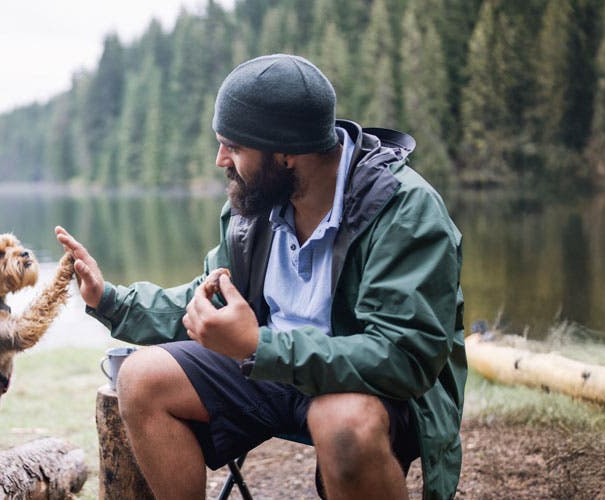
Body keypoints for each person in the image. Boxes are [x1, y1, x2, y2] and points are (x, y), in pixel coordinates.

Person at [54, 54, 465, 500]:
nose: (219, 160)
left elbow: (404, 357)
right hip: (269, 367)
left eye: (234, 146)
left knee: (341, 423)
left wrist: (259, 346)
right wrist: (109, 300)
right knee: (141, 377)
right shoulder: (256, 204)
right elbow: (209, 297)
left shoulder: (404, 210)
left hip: (369, 390)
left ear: (286, 152)